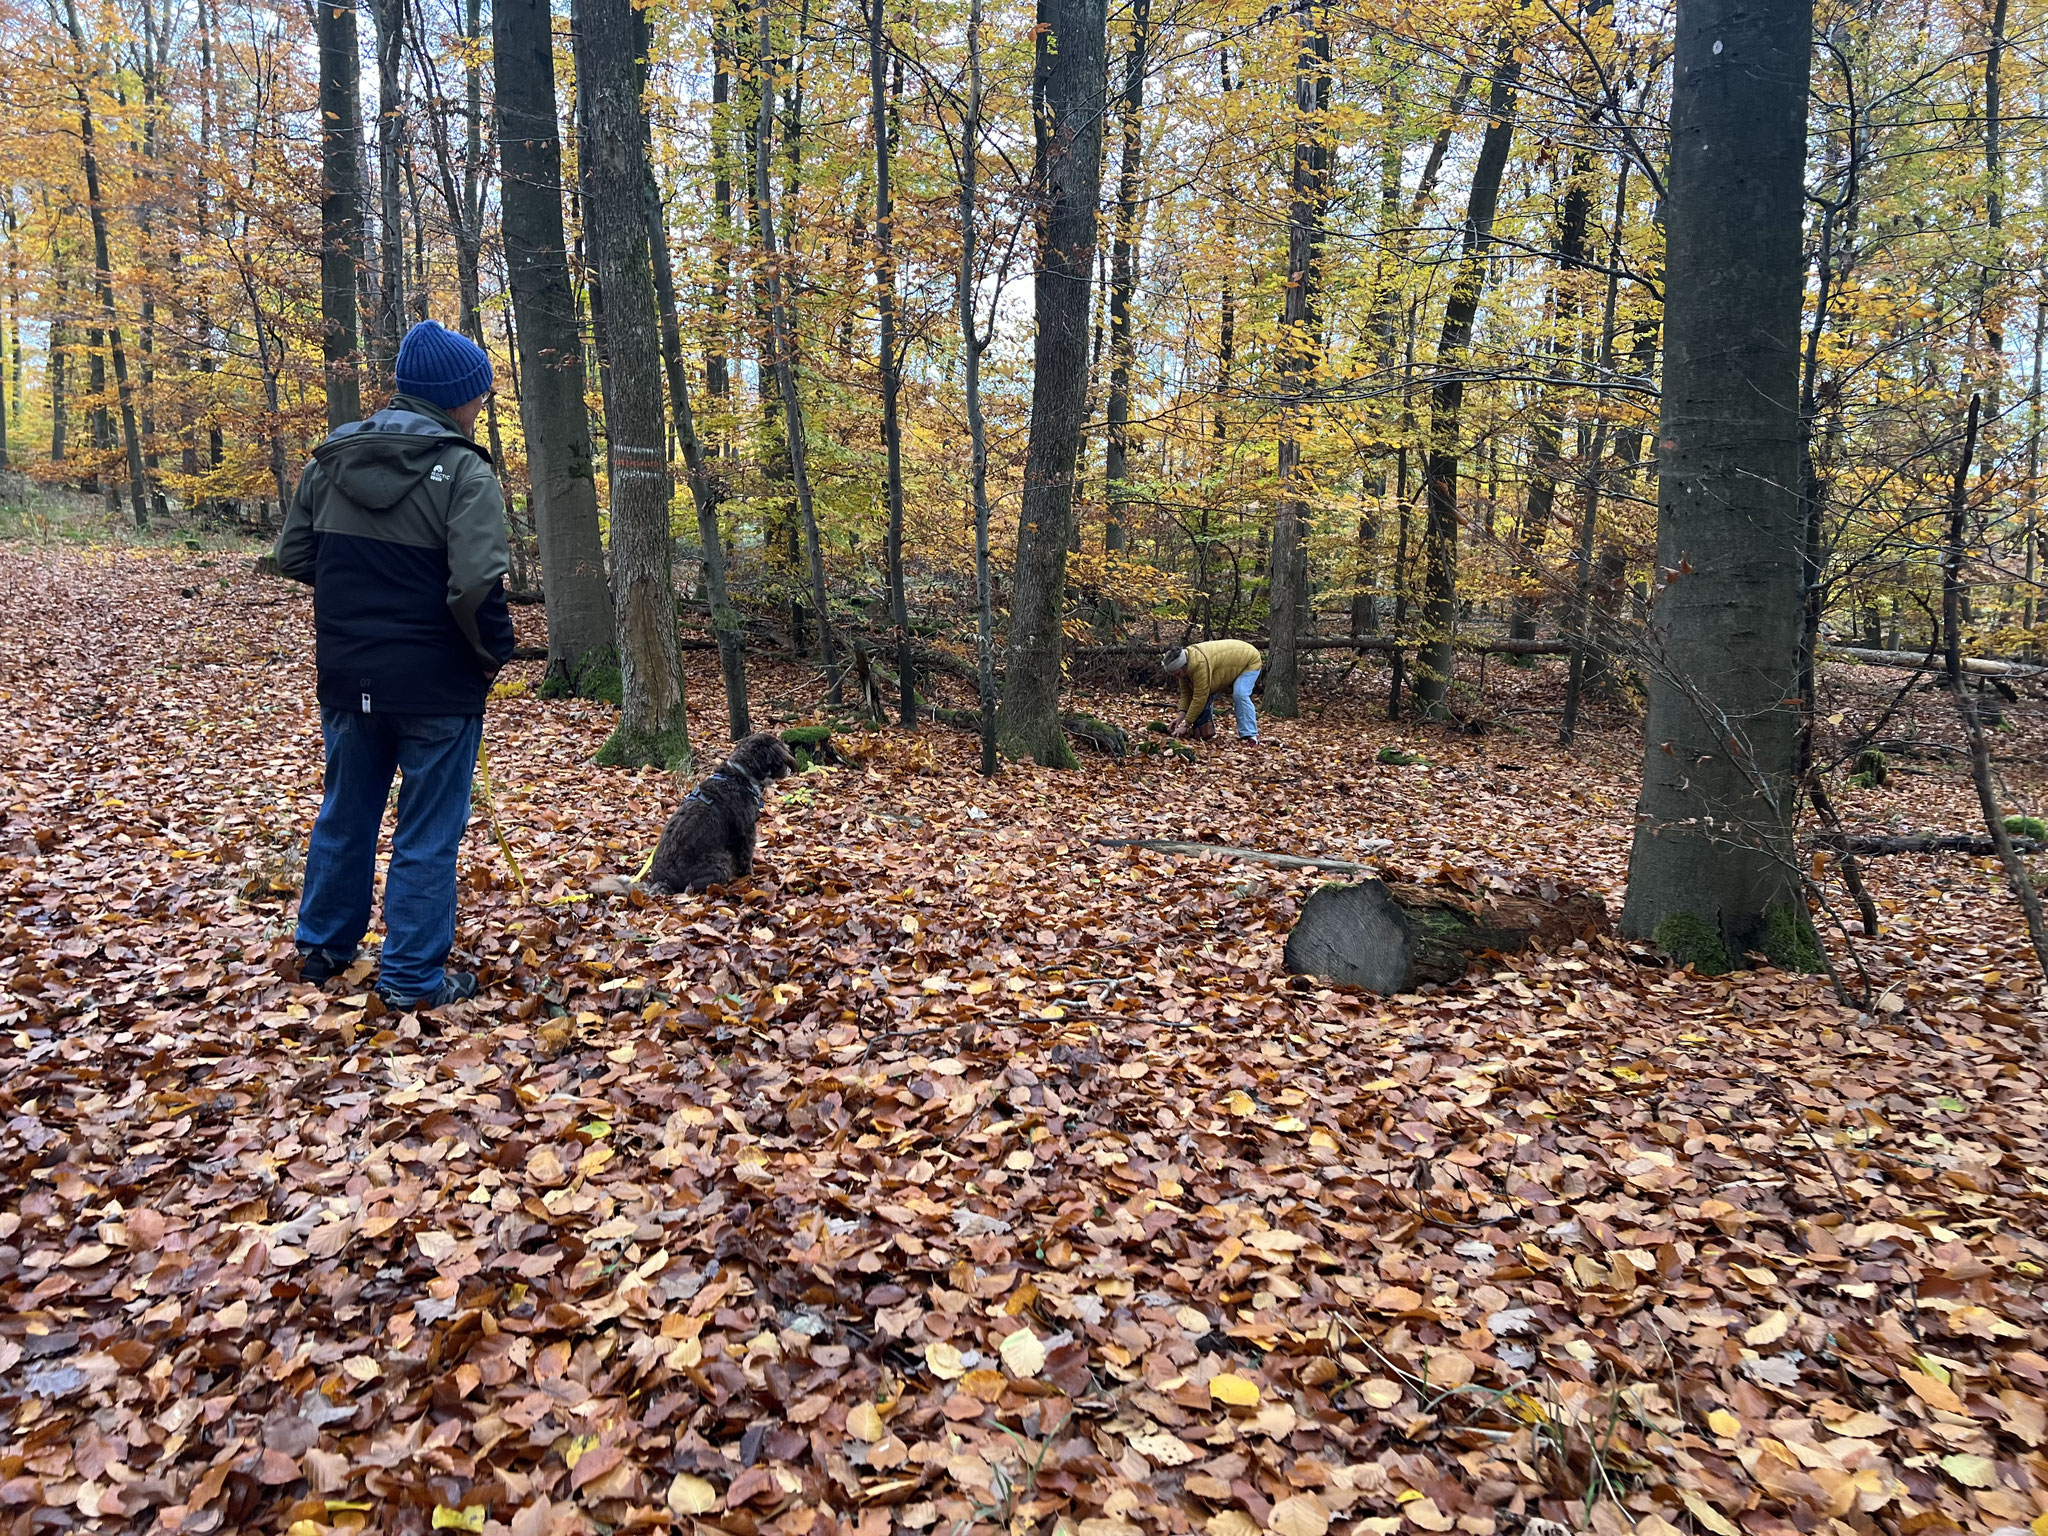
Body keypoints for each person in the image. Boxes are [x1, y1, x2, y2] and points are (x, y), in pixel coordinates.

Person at [275, 320, 515, 1011]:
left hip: (348, 676)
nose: (481, 406)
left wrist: (361, 597)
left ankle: (323, 953)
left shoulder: (332, 460)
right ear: (456, 397)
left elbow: (295, 556)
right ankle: (411, 979)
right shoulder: (465, 471)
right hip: (438, 686)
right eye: (478, 395)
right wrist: (491, 655)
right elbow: (476, 587)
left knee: (345, 814)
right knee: (428, 832)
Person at [1164, 639, 1263, 743]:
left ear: (1184, 666)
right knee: (1204, 692)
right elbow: (1186, 693)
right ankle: (1204, 732)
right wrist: (1180, 716)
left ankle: (1250, 735)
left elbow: (1200, 697)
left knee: (1240, 694)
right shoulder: (1185, 666)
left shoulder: (1198, 664)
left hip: (1249, 660)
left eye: (1177, 673)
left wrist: (1185, 725)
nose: (1177, 677)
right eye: (1174, 675)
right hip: (1230, 664)